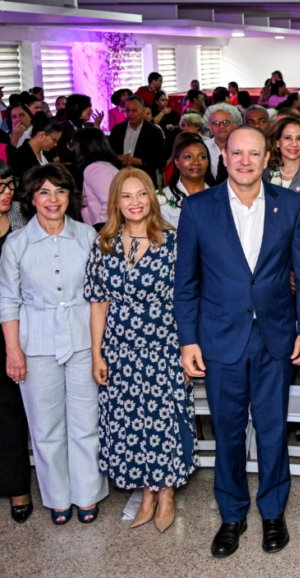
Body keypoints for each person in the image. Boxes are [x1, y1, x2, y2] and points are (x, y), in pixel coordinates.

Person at [174, 126, 300, 558]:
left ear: (266, 157)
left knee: (274, 429)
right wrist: (188, 341)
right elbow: (186, 284)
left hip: (275, 336)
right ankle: (232, 514)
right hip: (220, 339)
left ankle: (273, 511)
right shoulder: (198, 208)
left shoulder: (289, 205)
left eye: (253, 154)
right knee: (229, 434)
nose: (244, 161)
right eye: (236, 153)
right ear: (225, 153)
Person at [85, 167, 197, 533]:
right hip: (120, 348)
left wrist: (187, 348)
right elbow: (99, 303)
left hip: (163, 344)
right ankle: (146, 494)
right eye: (126, 196)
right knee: (129, 421)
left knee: (163, 420)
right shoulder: (105, 244)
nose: (135, 202)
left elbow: (187, 298)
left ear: (152, 198)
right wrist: (97, 354)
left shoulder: (173, 241)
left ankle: (165, 494)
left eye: (141, 194)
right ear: (116, 202)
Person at [0, 164, 107, 525]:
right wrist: (13, 351)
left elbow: (98, 297)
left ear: (70, 196)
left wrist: (98, 349)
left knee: (85, 422)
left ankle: (87, 494)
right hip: (37, 341)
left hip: (81, 338)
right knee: (45, 427)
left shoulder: (87, 237)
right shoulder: (17, 243)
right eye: (44, 191)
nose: (53, 199)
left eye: (60, 191)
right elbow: (8, 301)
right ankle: (58, 497)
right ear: (30, 198)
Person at [0, 161, 31, 524]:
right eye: (0, 187)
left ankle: (18, 488)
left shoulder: (22, 227)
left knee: (9, 414)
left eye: (9, 185)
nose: (7, 193)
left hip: (16, 330)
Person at [159, 133, 214, 228]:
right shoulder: (163, 198)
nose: (196, 162)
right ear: (176, 162)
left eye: (202, 157)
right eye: (188, 157)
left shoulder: (220, 195)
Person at [108, 96, 166, 187]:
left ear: (143, 110)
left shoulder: (154, 131)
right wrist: (118, 158)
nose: (130, 113)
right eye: (127, 110)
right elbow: (108, 153)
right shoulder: (117, 130)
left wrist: (139, 161)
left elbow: (161, 159)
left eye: (134, 110)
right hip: (120, 177)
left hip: (145, 178)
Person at [73, 127, 122, 228]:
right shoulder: (104, 166)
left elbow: (110, 203)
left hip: (105, 229)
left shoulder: (96, 169)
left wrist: (98, 230)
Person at [8, 112, 61, 178]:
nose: (55, 144)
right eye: (54, 140)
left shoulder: (48, 153)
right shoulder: (18, 157)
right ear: (42, 135)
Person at [203, 103, 243, 185]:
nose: (221, 126)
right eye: (216, 123)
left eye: (226, 122)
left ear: (233, 125)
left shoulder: (244, 147)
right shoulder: (203, 147)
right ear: (210, 127)